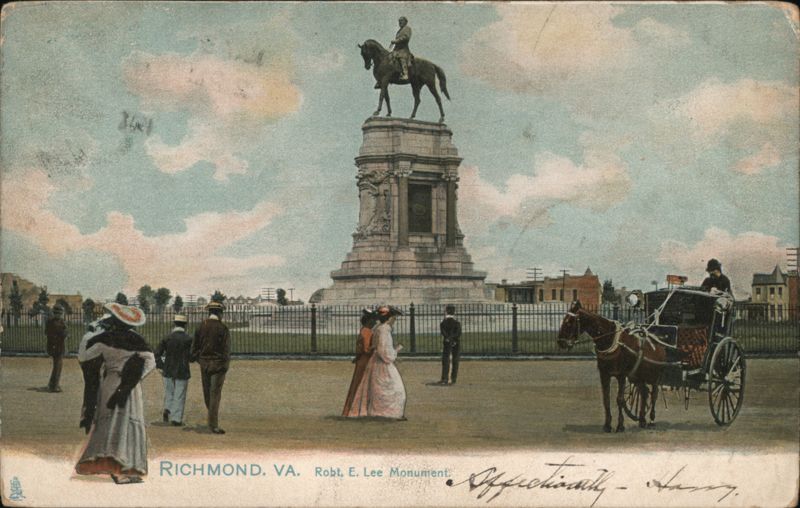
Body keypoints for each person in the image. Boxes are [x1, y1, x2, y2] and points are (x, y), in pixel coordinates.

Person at [75, 303, 154, 484]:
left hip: (110, 383)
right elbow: (151, 363)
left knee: (110, 422)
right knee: (128, 424)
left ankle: (114, 467)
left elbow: (84, 357)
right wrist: (135, 377)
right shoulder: (138, 341)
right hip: (130, 387)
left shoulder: (103, 339)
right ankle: (124, 469)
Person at [346, 305, 406, 419]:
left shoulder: (379, 329)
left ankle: (383, 412)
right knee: (394, 389)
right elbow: (386, 354)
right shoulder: (384, 330)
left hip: (377, 362)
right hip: (382, 364)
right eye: (393, 318)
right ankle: (387, 413)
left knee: (382, 389)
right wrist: (397, 350)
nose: (394, 320)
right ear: (389, 318)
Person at [191, 302, 230, 434]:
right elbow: (226, 350)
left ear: (209, 312)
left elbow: (194, 348)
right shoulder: (223, 328)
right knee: (215, 394)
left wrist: (200, 360)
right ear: (219, 313)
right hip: (218, 365)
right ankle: (213, 424)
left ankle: (211, 419)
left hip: (205, 364)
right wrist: (225, 365)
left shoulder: (201, 326)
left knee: (207, 393)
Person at [154, 314, 193, 426]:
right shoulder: (189, 339)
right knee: (179, 393)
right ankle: (176, 418)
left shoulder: (167, 338)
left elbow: (157, 353)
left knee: (169, 391)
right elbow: (191, 356)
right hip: (182, 369)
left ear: (174, 324)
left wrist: (161, 365)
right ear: (185, 325)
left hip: (168, 368)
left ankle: (168, 408)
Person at [342, 309, 378, 416]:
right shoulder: (367, 332)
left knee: (356, 384)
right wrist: (376, 346)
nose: (375, 323)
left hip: (361, 359)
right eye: (373, 320)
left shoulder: (364, 330)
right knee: (360, 385)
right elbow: (366, 349)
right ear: (368, 321)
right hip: (365, 360)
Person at [45, 305, 68, 392]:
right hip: (56, 346)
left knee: (57, 366)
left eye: (60, 313)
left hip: (56, 346)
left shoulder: (53, 321)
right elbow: (63, 333)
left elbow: (46, 332)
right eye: (57, 313)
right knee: (58, 366)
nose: (59, 315)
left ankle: (52, 384)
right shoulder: (56, 322)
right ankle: (54, 386)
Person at [439, 305, 462, 385]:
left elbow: (443, 332)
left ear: (446, 312)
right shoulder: (457, 323)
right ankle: (453, 379)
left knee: (446, 360)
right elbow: (458, 333)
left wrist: (448, 338)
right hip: (455, 343)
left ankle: (445, 378)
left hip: (447, 342)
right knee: (455, 360)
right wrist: (452, 339)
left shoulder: (443, 323)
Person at [390, 16, 413, 80]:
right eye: (399, 21)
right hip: (396, 49)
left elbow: (406, 37)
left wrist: (396, 41)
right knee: (389, 58)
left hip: (403, 49)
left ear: (405, 22)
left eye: (401, 21)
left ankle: (405, 74)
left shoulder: (407, 28)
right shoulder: (399, 31)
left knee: (402, 58)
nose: (400, 22)